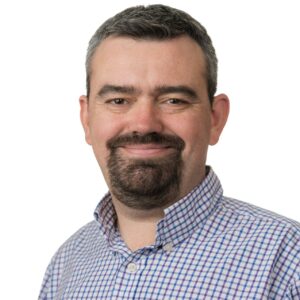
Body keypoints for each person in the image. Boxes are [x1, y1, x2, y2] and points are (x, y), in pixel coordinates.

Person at [39, 4, 300, 299]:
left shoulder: (289, 261)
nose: (143, 123)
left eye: (174, 100)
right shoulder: (66, 265)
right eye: (118, 100)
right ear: (87, 119)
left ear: (215, 119)